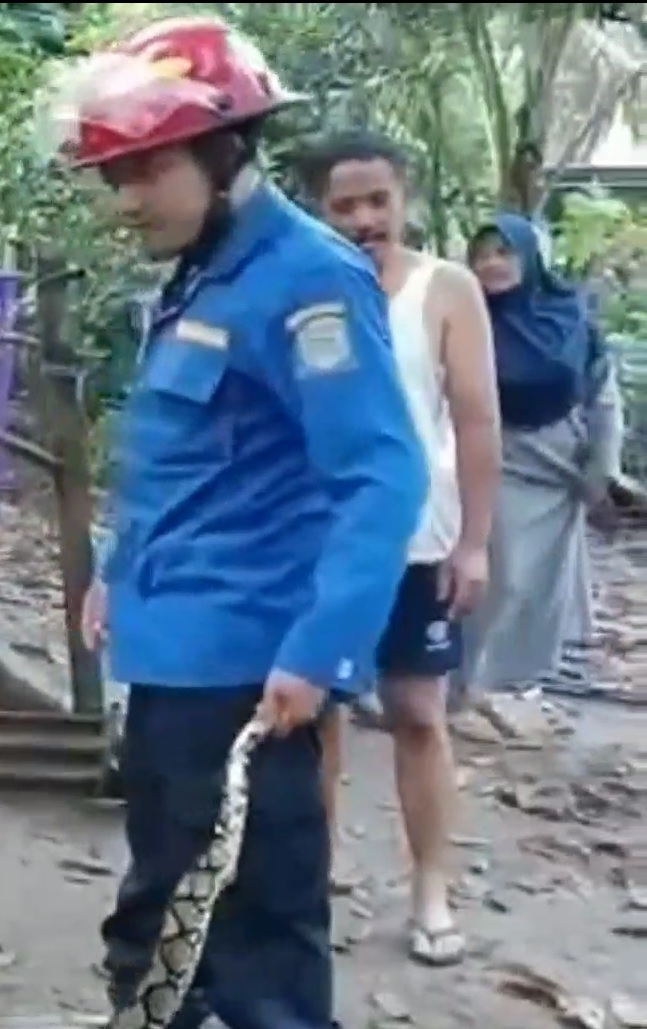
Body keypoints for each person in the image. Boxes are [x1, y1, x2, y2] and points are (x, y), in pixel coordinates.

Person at [52, 16, 427, 1028]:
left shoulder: (306, 280)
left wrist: (317, 652)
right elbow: (181, 463)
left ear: (221, 154)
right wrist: (115, 570)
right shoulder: (202, 269)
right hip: (173, 659)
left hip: (245, 676)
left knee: (254, 945)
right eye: (112, 177)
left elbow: (382, 478)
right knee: (160, 918)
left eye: (142, 172)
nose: (123, 201)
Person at [301, 131, 500, 967]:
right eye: (343, 205)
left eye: (376, 200)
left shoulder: (444, 289)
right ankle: (317, 869)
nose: (362, 219)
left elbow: (476, 418)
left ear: (401, 197)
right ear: (317, 209)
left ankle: (429, 889)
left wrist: (474, 544)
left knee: (419, 715)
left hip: (419, 542)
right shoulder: (303, 289)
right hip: (318, 540)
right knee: (313, 713)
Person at [463, 213, 622, 700]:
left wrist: (602, 470)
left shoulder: (570, 317)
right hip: (496, 463)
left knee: (540, 586)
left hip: (559, 469)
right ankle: (469, 683)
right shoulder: (464, 316)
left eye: (504, 252)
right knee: (497, 580)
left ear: (532, 258)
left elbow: (603, 395)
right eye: (482, 255)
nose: (492, 264)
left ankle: (512, 680)